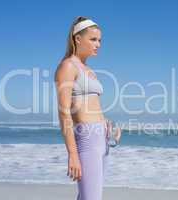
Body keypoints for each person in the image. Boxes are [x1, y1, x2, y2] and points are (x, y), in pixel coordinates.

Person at [54, 16, 121, 200]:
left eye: (100, 40)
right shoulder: (68, 66)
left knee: (88, 196)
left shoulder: (88, 70)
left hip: (103, 138)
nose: (98, 44)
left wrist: (109, 124)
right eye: (93, 39)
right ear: (77, 38)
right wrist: (72, 153)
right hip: (87, 139)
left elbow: (91, 106)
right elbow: (64, 112)